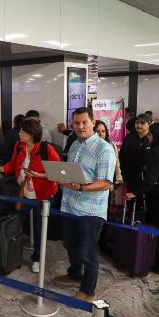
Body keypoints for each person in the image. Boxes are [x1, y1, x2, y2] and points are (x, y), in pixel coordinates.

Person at [50, 108, 115, 303]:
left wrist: (81, 187)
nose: (79, 126)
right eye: (76, 123)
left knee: (88, 251)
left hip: (91, 209)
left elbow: (106, 183)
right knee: (70, 243)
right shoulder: (75, 145)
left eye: (84, 122)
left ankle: (88, 290)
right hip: (69, 205)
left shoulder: (104, 149)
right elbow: (70, 172)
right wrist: (59, 176)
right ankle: (74, 275)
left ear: (93, 123)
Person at [0, 118, 60, 271]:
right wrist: (1, 169)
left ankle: (37, 259)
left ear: (31, 134)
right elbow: (12, 164)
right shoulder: (19, 146)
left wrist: (39, 175)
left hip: (43, 194)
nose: (19, 134)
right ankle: (12, 253)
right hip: (24, 192)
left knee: (39, 228)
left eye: (22, 131)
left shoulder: (47, 149)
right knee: (16, 221)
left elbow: (59, 172)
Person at [126, 123, 159, 271]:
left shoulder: (156, 151)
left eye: (150, 134)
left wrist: (134, 192)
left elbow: (150, 180)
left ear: (155, 136)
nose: (148, 137)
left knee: (156, 228)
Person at [119, 114, 151, 196]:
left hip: (148, 179)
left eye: (142, 123)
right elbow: (122, 157)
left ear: (149, 124)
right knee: (131, 203)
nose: (139, 125)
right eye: (137, 123)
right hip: (130, 177)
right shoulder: (129, 138)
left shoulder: (152, 139)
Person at [94, 120, 123, 192]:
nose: (101, 134)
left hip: (108, 181)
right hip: (93, 181)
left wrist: (118, 177)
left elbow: (116, 162)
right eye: (98, 131)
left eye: (103, 131)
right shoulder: (89, 145)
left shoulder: (111, 145)